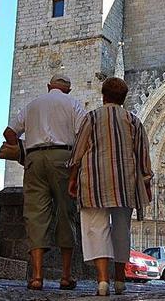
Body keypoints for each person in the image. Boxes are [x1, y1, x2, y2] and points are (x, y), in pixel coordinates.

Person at [68, 77, 153, 296]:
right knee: (121, 230)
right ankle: (120, 279)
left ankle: (102, 281)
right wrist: (147, 183)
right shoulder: (134, 121)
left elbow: (78, 152)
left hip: (94, 183)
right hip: (125, 185)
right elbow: (143, 156)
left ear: (103, 95)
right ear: (124, 99)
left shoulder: (92, 118)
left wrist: (73, 179)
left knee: (97, 229)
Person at [3, 74, 86, 291]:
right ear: (68, 90)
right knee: (65, 214)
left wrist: (22, 152)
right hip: (63, 157)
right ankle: (66, 276)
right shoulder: (73, 104)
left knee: (35, 216)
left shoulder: (33, 105)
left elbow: (9, 132)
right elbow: (85, 134)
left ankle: (37, 276)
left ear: (48, 87)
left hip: (34, 159)